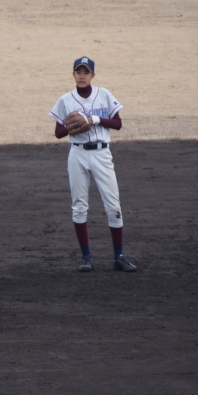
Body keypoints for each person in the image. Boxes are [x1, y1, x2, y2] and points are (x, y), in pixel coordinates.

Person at [49, 56, 137, 273]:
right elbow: (58, 133)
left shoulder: (104, 95)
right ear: (73, 74)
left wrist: (94, 120)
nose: (82, 76)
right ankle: (86, 257)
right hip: (77, 154)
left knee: (113, 206)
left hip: (102, 154)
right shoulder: (65, 100)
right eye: (78, 72)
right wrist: (74, 125)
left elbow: (118, 123)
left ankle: (119, 257)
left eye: (86, 72)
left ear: (93, 75)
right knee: (79, 206)